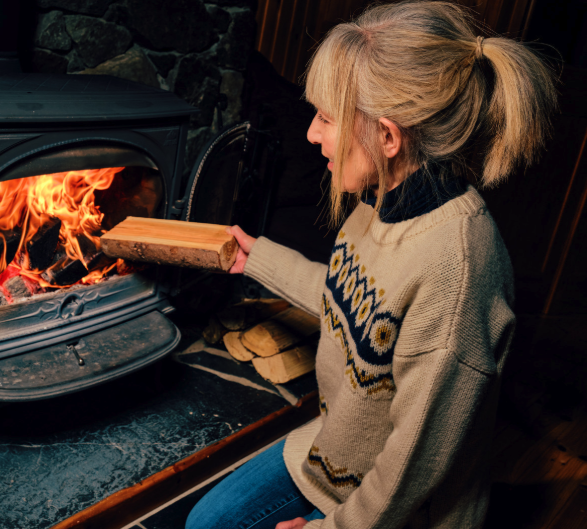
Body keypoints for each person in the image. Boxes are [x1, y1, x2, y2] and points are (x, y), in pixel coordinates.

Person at [185, 2, 558, 528]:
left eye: (327, 118)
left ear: (387, 136)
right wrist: (256, 258)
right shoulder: (377, 201)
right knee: (205, 522)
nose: (312, 135)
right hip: (332, 456)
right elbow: (352, 305)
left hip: (398, 509)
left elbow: (415, 463)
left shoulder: (458, 273)